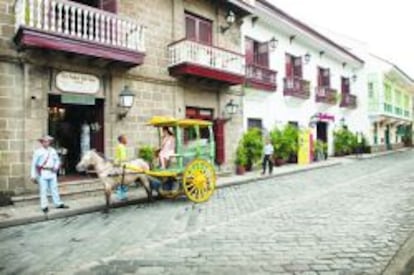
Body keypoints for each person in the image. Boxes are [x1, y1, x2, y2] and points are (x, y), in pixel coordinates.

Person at [30, 135, 69, 214]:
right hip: (43, 173)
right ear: (42, 142)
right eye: (44, 141)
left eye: (48, 141)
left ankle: (58, 203)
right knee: (43, 190)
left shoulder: (53, 151)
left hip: (52, 172)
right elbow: (34, 164)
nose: (46, 143)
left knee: (54, 188)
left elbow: (57, 160)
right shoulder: (38, 152)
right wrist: (33, 175)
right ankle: (44, 206)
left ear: (49, 142)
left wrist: (56, 167)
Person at [114, 135, 128, 200]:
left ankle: (122, 195)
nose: (126, 140)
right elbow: (122, 158)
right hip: (121, 164)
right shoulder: (121, 147)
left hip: (118, 164)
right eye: (125, 138)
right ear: (122, 140)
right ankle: (121, 196)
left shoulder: (119, 146)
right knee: (123, 179)